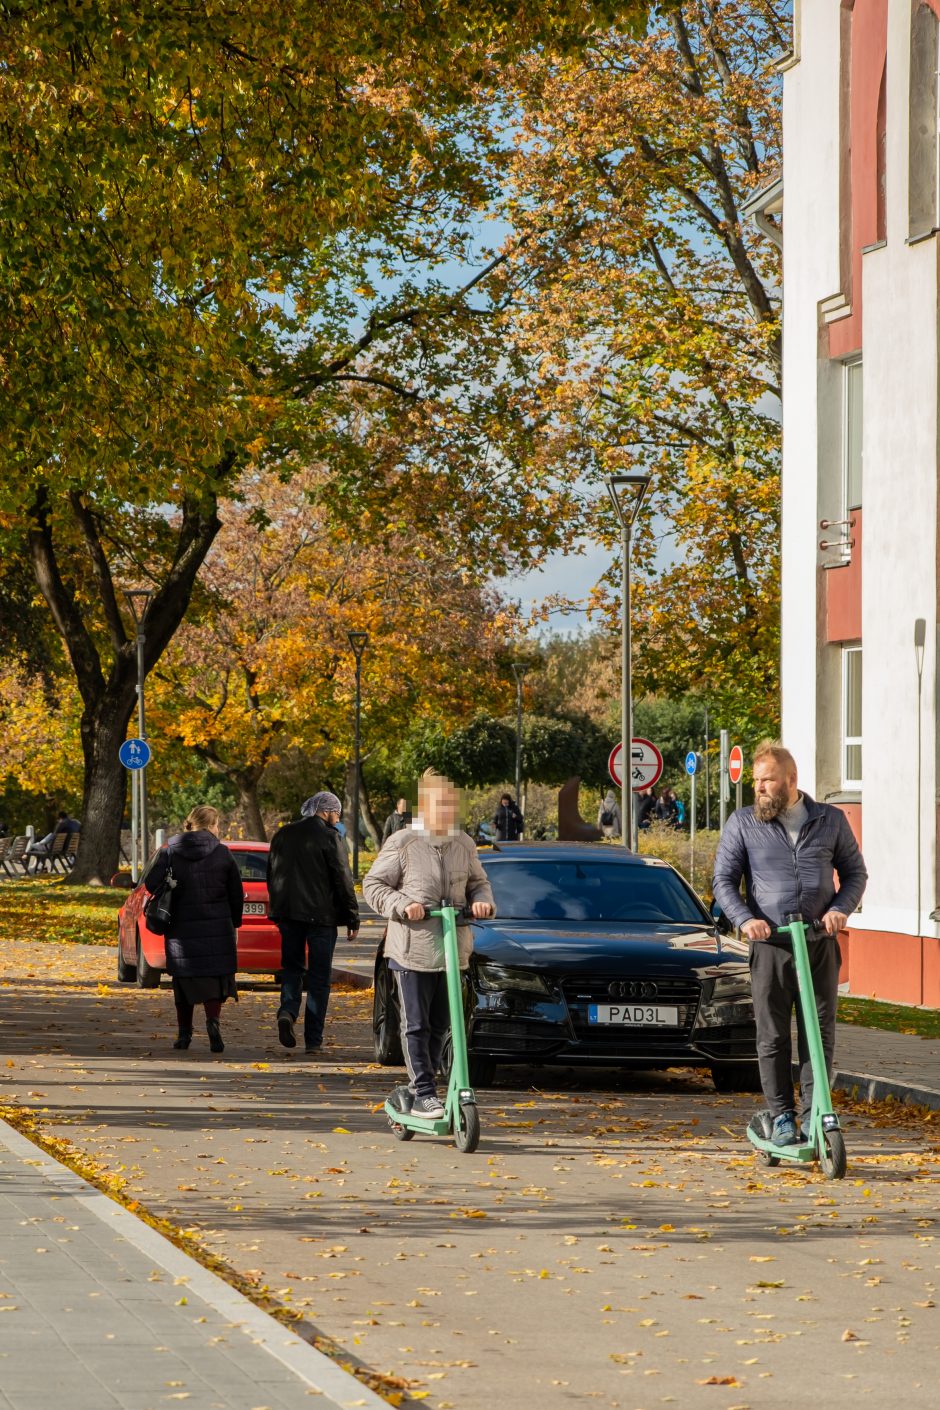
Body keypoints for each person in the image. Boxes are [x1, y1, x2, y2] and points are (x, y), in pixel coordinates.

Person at [712, 740, 868, 1147]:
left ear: (791, 780)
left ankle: (817, 1113)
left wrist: (840, 909)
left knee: (819, 1034)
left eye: (768, 781)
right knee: (773, 1036)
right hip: (772, 946)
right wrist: (746, 920)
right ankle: (781, 1116)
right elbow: (723, 882)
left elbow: (855, 873)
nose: (759, 788)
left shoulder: (830, 821)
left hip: (818, 943)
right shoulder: (743, 823)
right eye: (756, 782)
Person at [363, 771, 495, 1119]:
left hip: (453, 949)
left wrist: (482, 901)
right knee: (416, 1024)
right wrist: (402, 905)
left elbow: (479, 884)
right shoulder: (404, 842)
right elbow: (373, 884)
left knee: (441, 1024)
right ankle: (423, 1091)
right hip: (412, 949)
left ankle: (422, 1086)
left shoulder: (464, 843)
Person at [267, 791, 359, 1054]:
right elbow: (343, 878)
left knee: (292, 969)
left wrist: (278, 909)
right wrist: (352, 916)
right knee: (319, 978)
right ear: (326, 811)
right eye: (337, 813)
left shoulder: (283, 835)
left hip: (288, 915)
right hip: (322, 918)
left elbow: (271, 873)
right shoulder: (331, 837)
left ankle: (287, 1011)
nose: (338, 818)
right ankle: (313, 1041)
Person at [145, 805, 243, 1054]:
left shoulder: (171, 851)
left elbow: (150, 882)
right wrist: (235, 921)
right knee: (214, 979)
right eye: (217, 824)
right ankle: (212, 1022)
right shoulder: (222, 853)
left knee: (184, 981)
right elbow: (235, 892)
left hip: (181, 927)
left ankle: (184, 1034)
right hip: (217, 926)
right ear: (211, 826)